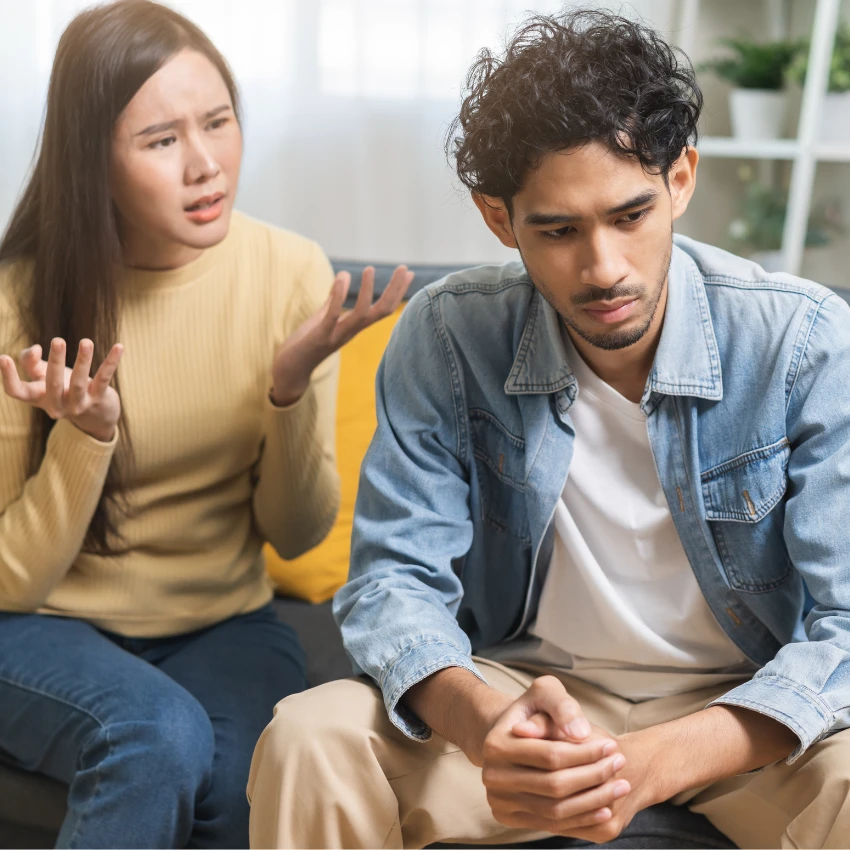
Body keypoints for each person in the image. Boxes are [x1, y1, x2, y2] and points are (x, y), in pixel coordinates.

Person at [247, 9, 850, 849]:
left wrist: (657, 761)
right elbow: (394, 584)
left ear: (682, 179)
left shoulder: (804, 343)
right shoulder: (448, 337)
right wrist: (487, 724)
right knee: (311, 738)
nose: (603, 268)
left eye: (629, 216)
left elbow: (846, 629)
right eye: (559, 231)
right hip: (525, 699)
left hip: (738, 714)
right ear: (499, 220)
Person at [0, 1, 411, 847]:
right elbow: (14, 584)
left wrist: (289, 391)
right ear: (95, 161)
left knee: (250, 777)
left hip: (225, 623)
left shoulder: (289, 271)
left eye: (218, 123)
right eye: (160, 141)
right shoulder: (19, 298)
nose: (206, 165)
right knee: (153, 734)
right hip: (42, 629)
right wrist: (87, 436)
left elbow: (295, 537)